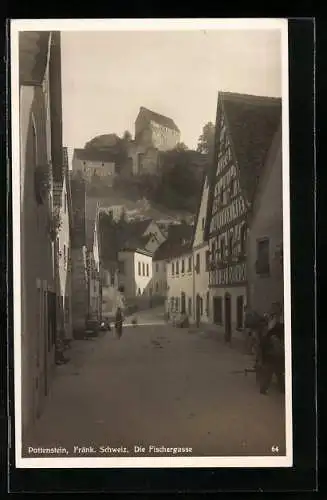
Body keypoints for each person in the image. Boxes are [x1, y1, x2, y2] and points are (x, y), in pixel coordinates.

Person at [259, 311, 285, 395]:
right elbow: (277, 349)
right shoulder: (272, 337)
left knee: (276, 374)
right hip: (272, 357)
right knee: (274, 374)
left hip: (270, 357)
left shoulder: (268, 334)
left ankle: (281, 388)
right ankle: (280, 389)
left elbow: (263, 348)